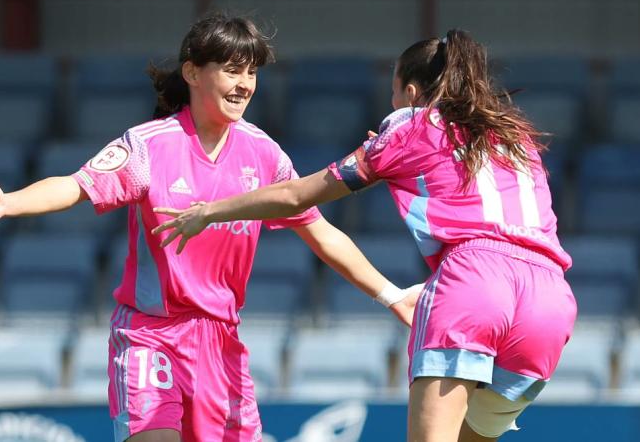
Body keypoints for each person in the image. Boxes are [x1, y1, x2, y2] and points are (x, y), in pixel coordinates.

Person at [0, 14, 421, 442]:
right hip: (151, 336)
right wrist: (9, 202)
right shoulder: (148, 147)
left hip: (221, 344)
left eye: (252, 73)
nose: (244, 85)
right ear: (192, 72)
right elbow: (77, 186)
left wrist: (391, 294)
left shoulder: (264, 155)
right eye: (231, 70)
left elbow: (321, 233)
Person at [150, 29, 578, 442]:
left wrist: (208, 212)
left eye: (394, 93)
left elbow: (296, 195)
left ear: (410, 94)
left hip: (476, 283)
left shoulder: (410, 127)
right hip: (550, 301)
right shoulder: (514, 135)